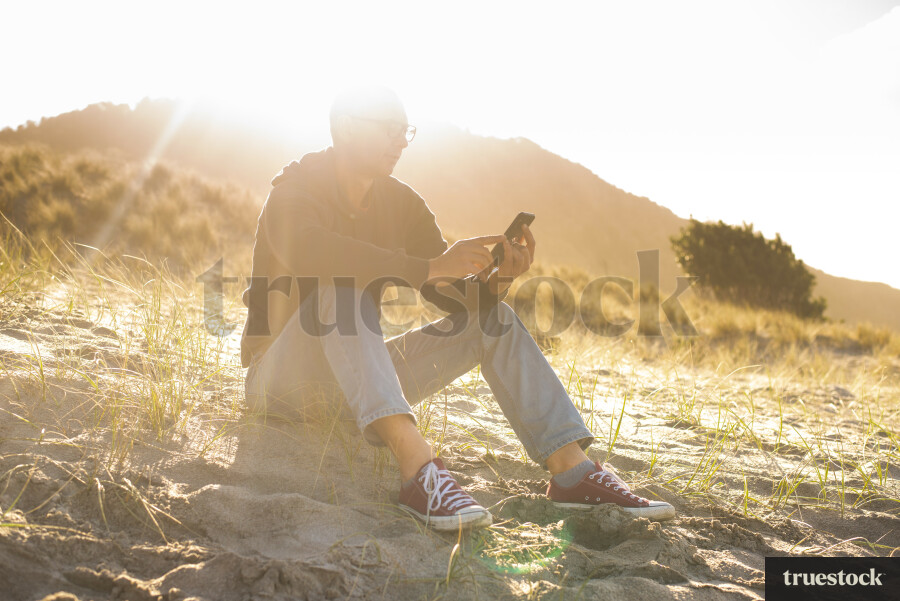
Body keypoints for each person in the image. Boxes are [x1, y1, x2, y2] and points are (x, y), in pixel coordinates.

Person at [240, 84, 675, 531]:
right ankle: (417, 467)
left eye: (405, 131)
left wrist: (499, 278)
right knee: (340, 285)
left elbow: (448, 295)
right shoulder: (293, 190)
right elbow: (313, 252)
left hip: (357, 390)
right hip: (278, 384)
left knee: (493, 321)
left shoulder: (402, 204)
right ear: (347, 127)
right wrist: (429, 265)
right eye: (389, 128)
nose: (400, 142)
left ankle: (573, 473)